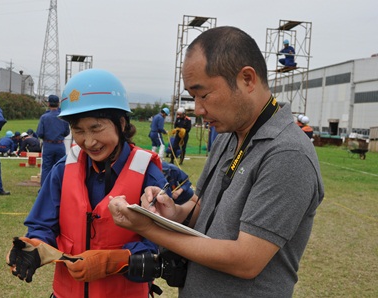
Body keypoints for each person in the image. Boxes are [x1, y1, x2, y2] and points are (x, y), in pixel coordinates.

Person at [108, 26, 324, 297]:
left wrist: (148, 228)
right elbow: (202, 206)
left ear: (247, 79)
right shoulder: (228, 134)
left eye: (204, 94)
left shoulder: (287, 154)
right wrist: (172, 212)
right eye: (193, 96)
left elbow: (246, 260)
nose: (198, 109)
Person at [6, 69, 170, 297]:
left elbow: (162, 244)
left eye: (96, 128)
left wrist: (115, 261)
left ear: (121, 123)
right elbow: (42, 225)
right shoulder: (64, 169)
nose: (89, 141)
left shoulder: (147, 174)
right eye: (78, 130)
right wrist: (33, 247)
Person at [36, 95, 70, 185]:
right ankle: (59, 187)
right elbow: (67, 132)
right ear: (58, 104)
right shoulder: (63, 117)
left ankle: (44, 189)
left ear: (48, 104)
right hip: (60, 145)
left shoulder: (44, 117)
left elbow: (39, 133)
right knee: (60, 167)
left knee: (46, 168)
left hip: (48, 144)